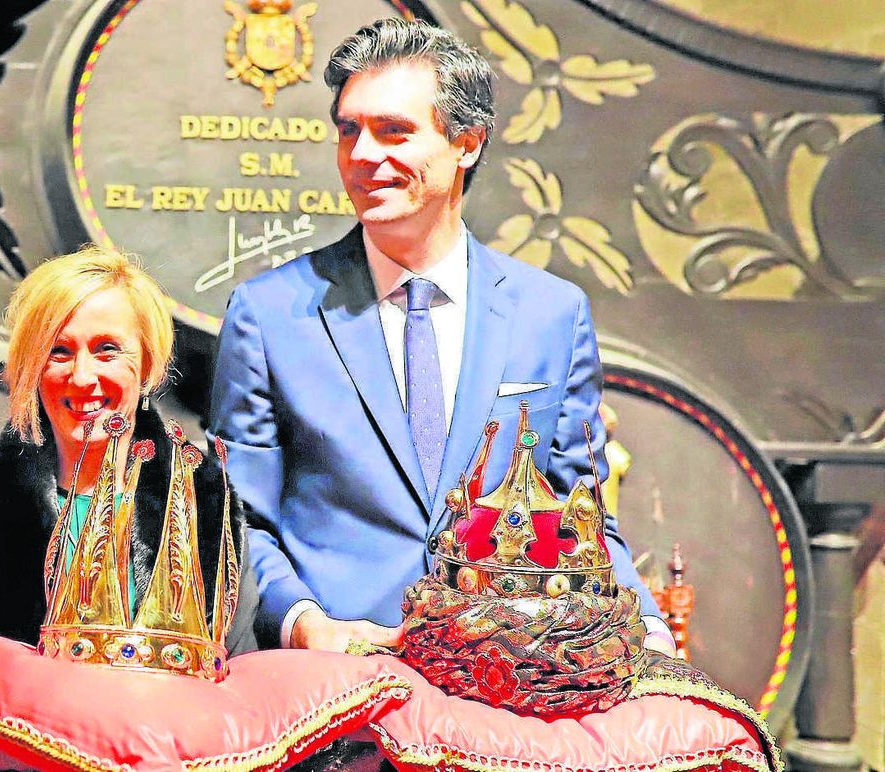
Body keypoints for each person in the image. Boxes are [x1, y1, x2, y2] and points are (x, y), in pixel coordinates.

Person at [208, 19, 671, 655]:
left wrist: (652, 638)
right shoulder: (268, 315)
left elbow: (581, 519)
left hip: (503, 676)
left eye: (393, 131)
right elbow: (238, 520)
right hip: (332, 682)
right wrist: (305, 623)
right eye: (349, 130)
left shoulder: (552, 315)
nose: (363, 154)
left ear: (467, 144)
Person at [0, 245, 259, 656]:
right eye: (58, 351)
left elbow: (237, 662)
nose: (81, 377)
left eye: (107, 349)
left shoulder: (205, 501)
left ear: (148, 362)